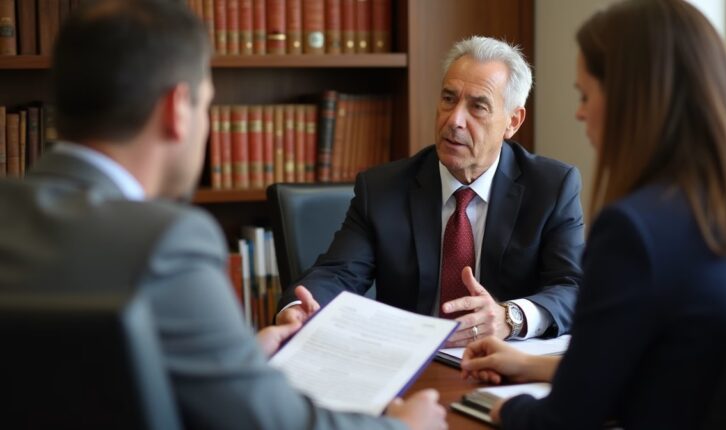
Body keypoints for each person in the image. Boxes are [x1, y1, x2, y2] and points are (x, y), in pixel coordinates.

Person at [0, 1, 447, 429]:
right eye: (206, 104)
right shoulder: (166, 243)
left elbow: (85, 382)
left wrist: (234, 360)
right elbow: (269, 423)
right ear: (177, 110)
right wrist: (400, 426)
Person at [460, 0, 726, 428]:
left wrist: (502, 408)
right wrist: (534, 366)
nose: (579, 112)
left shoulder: (635, 231)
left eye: (586, 94)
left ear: (631, 99)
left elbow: (564, 421)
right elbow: (680, 366)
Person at [278, 36, 585, 347]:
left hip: (502, 366)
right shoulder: (383, 189)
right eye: (449, 99)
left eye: (477, 107)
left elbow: (573, 288)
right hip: (408, 364)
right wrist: (298, 309)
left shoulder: (551, 187)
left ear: (512, 121)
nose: (454, 120)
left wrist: (511, 318)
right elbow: (338, 274)